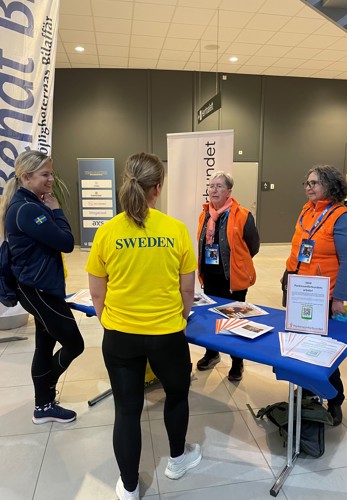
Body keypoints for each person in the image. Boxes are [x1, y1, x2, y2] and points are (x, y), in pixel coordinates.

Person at [86, 152, 201, 500]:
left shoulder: (107, 232)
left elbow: (96, 291)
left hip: (120, 336)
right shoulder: (175, 230)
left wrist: (111, 321)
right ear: (158, 188)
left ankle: (130, 486)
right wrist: (178, 316)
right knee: (177, 395)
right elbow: (187, 290)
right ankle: (177, 461)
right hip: (166, 335)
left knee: (127, 410)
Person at [0, 150, 84, 424]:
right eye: (45, 174)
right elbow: (65, 242)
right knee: (74, 343)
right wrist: (57, 210)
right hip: (39, 291)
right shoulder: (27, 210)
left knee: (44, 346)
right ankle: (46, 390)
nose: (51, 179)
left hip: (40, 287)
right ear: (26, 177)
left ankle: (43, 406)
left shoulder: (27, 205)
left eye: (51, 174)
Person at [283, 164, 347, 425]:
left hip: (322, 296)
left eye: (314, 182)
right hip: (298, 288)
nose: (308, 187)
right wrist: (287, 274)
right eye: (306, 182)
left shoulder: (342, 216)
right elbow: (299, 246)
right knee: (299, 345)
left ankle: (335, 397)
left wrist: (339, 297)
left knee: (319, 349)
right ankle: (307, 390)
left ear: (330, 185)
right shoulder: (307, 209)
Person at [196, 171, 260, 382]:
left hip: (233, 280)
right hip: (210, 277)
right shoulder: (205, 214)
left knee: (234, 321)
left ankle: (237, 362)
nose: (213, 190)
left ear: (229, 191)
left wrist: (236, 264)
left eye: (219, 186)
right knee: (210, 318)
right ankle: (212, 353)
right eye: (211, 186)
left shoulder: (243, 215)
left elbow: (253, 246)